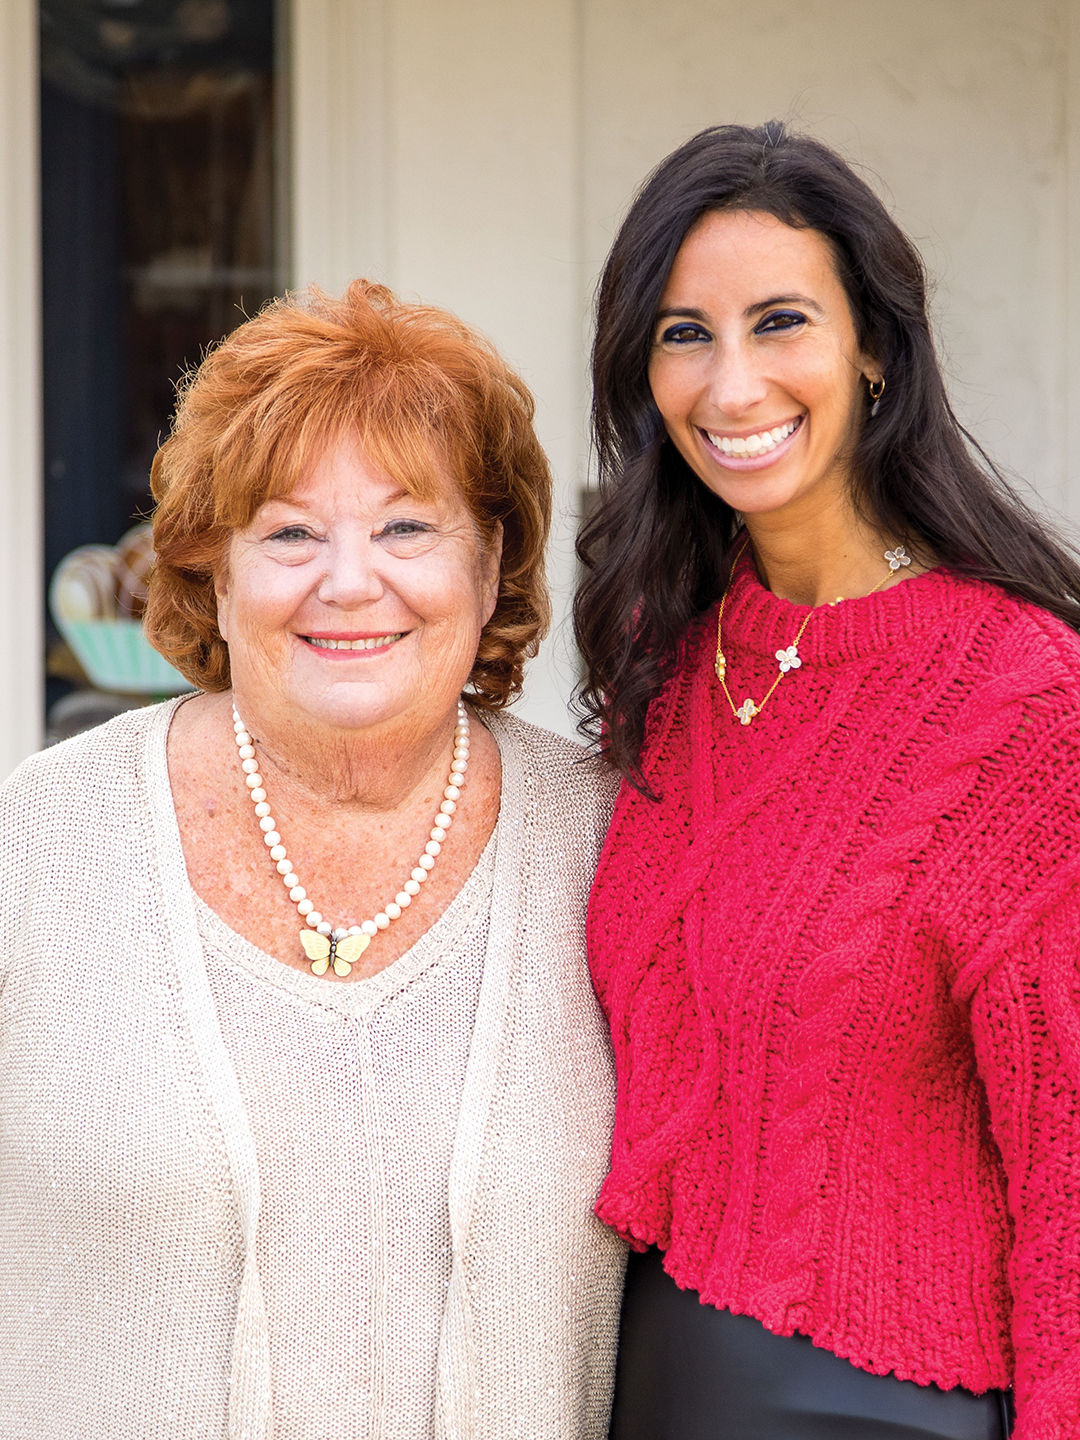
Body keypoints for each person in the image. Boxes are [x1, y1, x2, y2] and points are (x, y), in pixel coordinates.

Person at [0, 280, 625, 1439]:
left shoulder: (613, 845)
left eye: (406, 526)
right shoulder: (40, 845)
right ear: (214, 576)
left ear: (490, 568)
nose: (349, 580)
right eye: (290, 532)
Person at [576, 122, 1080, 1440]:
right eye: (684, 333)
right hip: (647, 1375)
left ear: (873, 346)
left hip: (877, 1404)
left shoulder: (1022, 701)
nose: (731, 384)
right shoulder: (669, 654)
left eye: (780, 320)